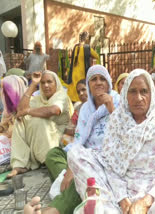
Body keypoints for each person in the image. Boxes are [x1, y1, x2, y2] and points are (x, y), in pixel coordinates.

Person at [63, 69, 155, 213]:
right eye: (132, 91)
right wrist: (123, 200)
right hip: (117, 195)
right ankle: (110, 208)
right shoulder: (117, 121)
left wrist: (145, 202)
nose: (138, 98)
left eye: (144, 91)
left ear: (151, 94)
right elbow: (110, 168)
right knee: (75, 154)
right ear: (125, 94)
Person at [44, 65, 120, 214]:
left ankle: (58, 207)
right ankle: (77, 183)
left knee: (84, 173)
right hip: (83, 153)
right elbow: (78, 141)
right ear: (89, 85)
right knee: (53, 154)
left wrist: (110, 107)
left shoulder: (118, 101)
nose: (98, 82)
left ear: (109, 83)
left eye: (102, 79)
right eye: (94, 79)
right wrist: (71, 169)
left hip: (105, 157)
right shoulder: (85, 108)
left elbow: (125, 133)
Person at [7, 71, 72, 178]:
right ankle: (20, 164)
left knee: (38, 120)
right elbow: (20, 110)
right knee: (20, 121)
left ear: (56, 83)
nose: (46, 85)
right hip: (42, 134)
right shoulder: (39, 98)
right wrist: (33, 84)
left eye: (49, 82)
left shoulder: (61, 95)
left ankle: (49, 160)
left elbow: (54, 110)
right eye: (42, 83)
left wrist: (28, 111)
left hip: (60, 137)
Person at [67, 32, 99, 102]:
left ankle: (73, 102)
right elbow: (96, 56)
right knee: (82, 88)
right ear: (86, 38)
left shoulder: (75, 47)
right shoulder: (87, 47)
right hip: (82, 73)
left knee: (75, 89)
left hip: (74, 73)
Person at [61, 79, 88, 146]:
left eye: (83, 90)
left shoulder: (97, 105)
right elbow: (71, 126)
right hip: (78, 136)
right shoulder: (78, 108)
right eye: (78, 92)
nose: (81, 94)